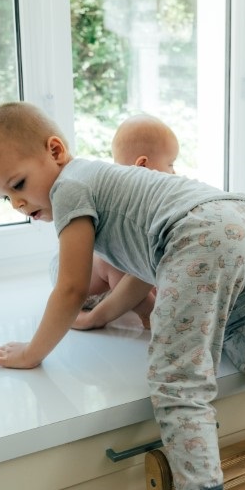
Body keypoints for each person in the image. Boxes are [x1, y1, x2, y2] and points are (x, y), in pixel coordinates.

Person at [0, 102, 245, 490]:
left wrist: (31, 354)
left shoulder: (68, 187)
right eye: (5, 198)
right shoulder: (105, 181)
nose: (18, 204)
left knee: (177, 379)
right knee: (238, 326)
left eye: (17, 185)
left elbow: (69, 287)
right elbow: (147, 268)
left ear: (55, 151)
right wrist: (101, 315)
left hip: (204, 233)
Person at [73, 113, 180, 330]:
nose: (174, 172)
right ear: (142, 166)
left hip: (115, 286)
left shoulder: (151, 203)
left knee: (154, 259)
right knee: (115, 258)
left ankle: (149, 304)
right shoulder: (116, 201)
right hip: (82, 287)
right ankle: (150, 315)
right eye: (170, 163)